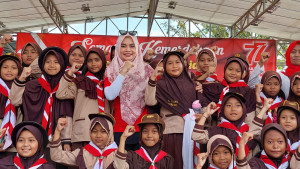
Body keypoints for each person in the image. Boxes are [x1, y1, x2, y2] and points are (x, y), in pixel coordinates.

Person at [10, 47, 73, 152]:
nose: (52, 65)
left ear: (62, 65)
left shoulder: (66, 86)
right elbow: (15, 101)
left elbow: (68, 114)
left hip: (59, 142)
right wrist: (21, 78)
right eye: (48, 62)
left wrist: (66, 140)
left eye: (56, 62)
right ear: (42, 65)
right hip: (32, 140)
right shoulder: (32, 85)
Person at [104, 31, 153, 150]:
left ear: (137, 48)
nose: (128, 50)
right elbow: (110, 95)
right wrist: (123, 71)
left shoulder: (147, 70)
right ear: (118, 47)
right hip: (119, 129)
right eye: (123, 45)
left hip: (144, 128)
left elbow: (153, 99)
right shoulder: (111, 69)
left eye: (132, 46)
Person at [56, 47, 109, 150]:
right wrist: (71, 72)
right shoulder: (79, 81)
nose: (93, 63)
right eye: (89, 60)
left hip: (104, 132)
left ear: (103, 61)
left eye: (97, 60)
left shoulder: (107, 81)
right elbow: (61, 94)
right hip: (83, 132)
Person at [192, 93, 258, 158]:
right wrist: (206, 115)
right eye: (229, 105)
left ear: (243, 109)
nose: (233, 109)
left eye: (238, 105)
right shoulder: (217, 130)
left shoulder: (249, 130)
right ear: (223, 109)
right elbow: (196, 136)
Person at [50, 112, 117, 169]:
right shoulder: (83, 153)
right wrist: (57, 131)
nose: (98, 135)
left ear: (110, 133)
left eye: (103, 131)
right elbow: (57, 156)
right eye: (94, 131)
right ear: (90, 133)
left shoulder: (117, 154)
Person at [0, 54, 22, 155]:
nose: (9, 70)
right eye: (5, 67)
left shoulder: (23, 86)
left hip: (17, 125)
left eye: (14, 68)